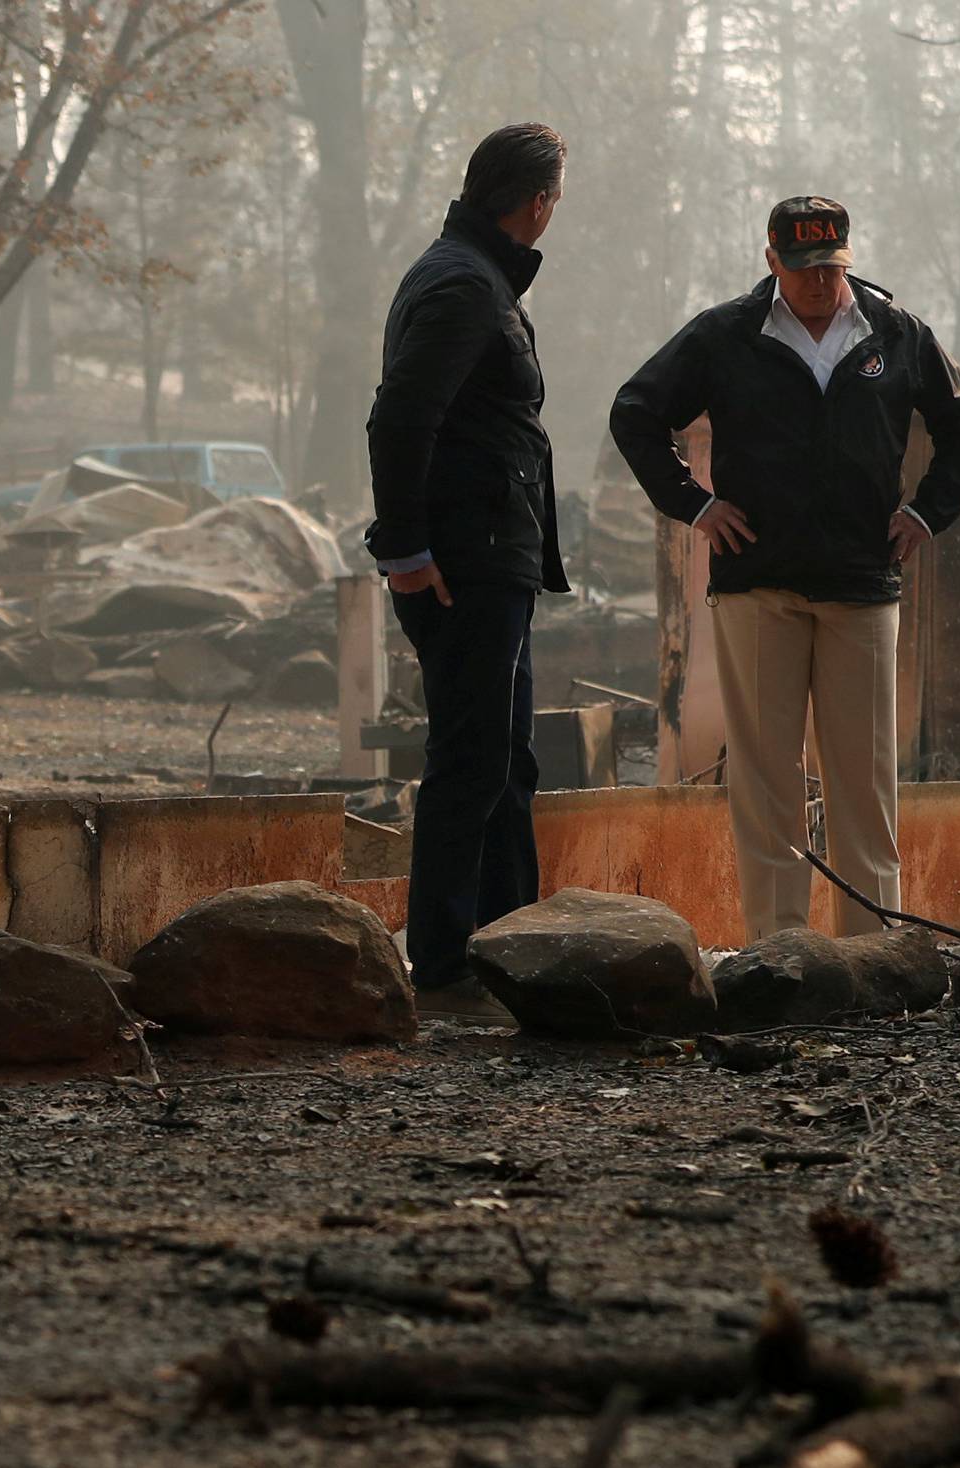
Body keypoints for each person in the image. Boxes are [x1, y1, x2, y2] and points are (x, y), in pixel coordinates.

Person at [610, 196, 960, 941]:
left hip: (862, 583)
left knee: (865, 784)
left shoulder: (896, 331)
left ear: (847, 259)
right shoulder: (725, 335)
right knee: (766, 783)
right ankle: (781, 953)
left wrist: (925, 513)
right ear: (771, 261)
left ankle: (875, 953)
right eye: (803, 267)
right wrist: (694, 506)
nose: (819, 283)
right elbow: (636, 412)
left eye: (831, 267)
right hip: (757, 582)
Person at [365, 123, 570, 1003]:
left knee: (506, 761)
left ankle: (507, 945)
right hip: (467, 563)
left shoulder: (474, 277)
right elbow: (401, 418)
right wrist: (406, 553)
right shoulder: (462, 286)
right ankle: (446, 964)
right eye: (556, 198)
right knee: (471, 762)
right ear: (536, 202)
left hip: (495, 559)